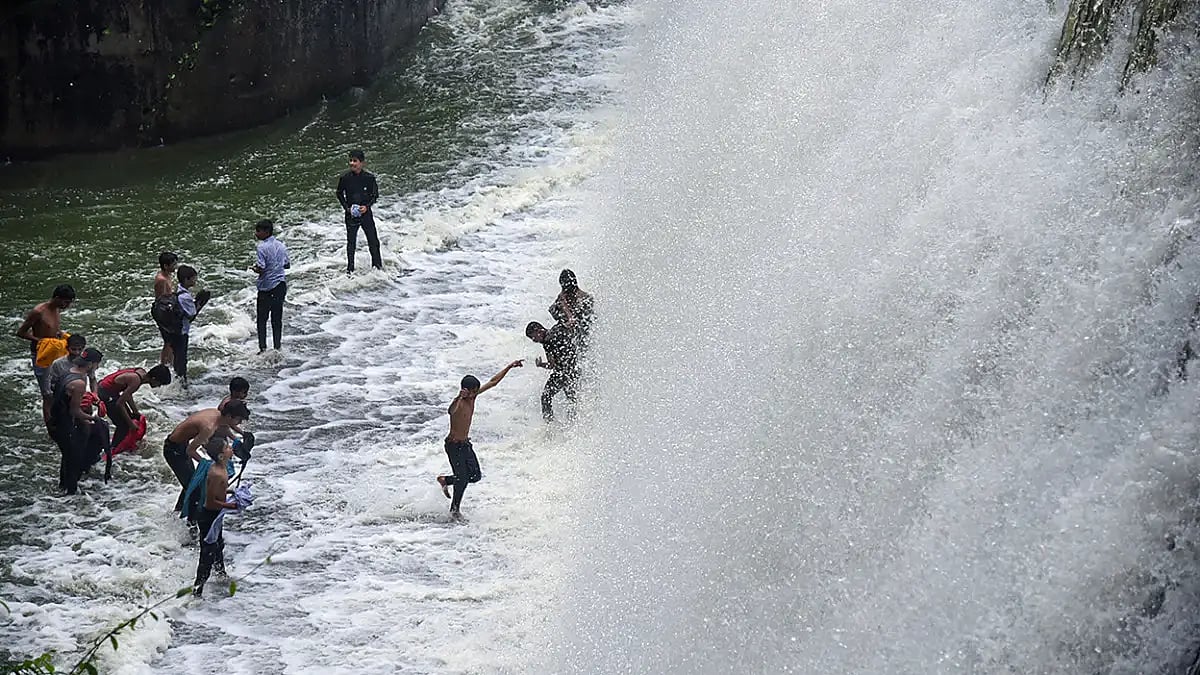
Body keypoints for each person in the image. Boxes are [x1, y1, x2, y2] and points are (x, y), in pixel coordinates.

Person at [436, 361, 523, 519]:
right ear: (465, 391)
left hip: (465, 445)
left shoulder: (472, 397)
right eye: (473, 392)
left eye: (477, 391)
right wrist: (458, 397)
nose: (476, 394)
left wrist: (510, 367)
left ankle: (445, 480)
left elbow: (493, 382)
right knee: (462, 478)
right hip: (453, 446)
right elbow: (450, 411)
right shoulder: (460, 403)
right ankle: (454, 511)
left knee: (475, 476)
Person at [162, 400, 250, 520]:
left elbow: (223, 429)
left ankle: (177, 513)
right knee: (195, 490)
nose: (239, 423)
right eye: (239, 420)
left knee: (192, 481)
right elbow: (191, 451)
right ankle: (190, 524)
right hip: (174, 451)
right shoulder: (209, 426)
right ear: (229, 416)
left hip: (180, 445)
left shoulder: (217, 414)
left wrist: (237, 440)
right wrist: (209, 465)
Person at [15, 285, 76, 430]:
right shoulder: (38, 312)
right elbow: (21, 332)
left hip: (55, 352)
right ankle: (51, 428)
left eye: (69, 303)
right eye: (65, 302)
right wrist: (40, 341)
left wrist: (61, 335)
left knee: (61, 387)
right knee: (47, 394)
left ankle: (62, 419)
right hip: (42, 354)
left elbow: (53, 329)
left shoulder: (57, 309)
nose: (67, 306)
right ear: (56, 298)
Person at [49, 349, 104, 495]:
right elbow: (75, 412)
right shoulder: (80, 382)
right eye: (97, 364)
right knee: (74, 459)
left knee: (67, 457)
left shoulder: (69, 372)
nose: (97, 368)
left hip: (55, 420)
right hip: (65, 424)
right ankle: (70, 494)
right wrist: (93, 419)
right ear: (91, 364)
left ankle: (62, 487)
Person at [194, 436, 237, 597]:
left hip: (215, 515)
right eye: (227, 448)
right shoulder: (217, 473)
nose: (231, 449)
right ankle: (197, 590)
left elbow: (218, 493)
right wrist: (230, 506)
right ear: (220, 455)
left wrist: (231, 493)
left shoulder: (222, 468)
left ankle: (221, 574)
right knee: (207, 554)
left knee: (218, 545)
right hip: (208, 516)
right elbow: (211, 502)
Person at [97, 364, 172, 449]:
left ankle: (119, 445)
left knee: (131, 417)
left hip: (108, 389)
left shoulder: (141, 372)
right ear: (154, 378)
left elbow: (128, 394)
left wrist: (135, 412)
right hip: (105, 392)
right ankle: (113, 449)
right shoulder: (136, 381)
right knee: (124, 425)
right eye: (160, 383)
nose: (159, 386)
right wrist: (131, 424)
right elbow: (119, 404)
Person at [335, 149, 382, 273]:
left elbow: (375, 195)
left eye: (355, 161)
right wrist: (346, 208)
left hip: (365, 213)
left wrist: (367, 206)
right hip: (351, 215)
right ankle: (350, 270)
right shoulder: (345, 178)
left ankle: (377, 267)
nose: (352, 163)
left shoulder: (369, 178)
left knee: (373, 241)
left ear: (362, 163)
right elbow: (339, 193)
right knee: (351, 243)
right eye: (350, 160)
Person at [526, 321, 581, 421]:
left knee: (546, 397)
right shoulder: (558, 328)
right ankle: (573, 423)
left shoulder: (547, 343)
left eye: (534, 338)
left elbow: (552, 365)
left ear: (539, 331)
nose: (534, 341)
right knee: (572, 400)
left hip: (561, 374)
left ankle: (550, 426)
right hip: (574, 370)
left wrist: (540, 364)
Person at [168, 265, 212, 386]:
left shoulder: (178, 290)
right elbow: (192, 314)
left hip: (174, 330)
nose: (195, 281)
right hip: (182, 331)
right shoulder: (185, 296)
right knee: (182, 358)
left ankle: (177, 380)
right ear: (186, 280)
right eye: (193, 279)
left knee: (177, 357)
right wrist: (199, 303)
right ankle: (182, 383)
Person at [252, 220, 289, 353]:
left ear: (266, 232)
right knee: (276, 319)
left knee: (262, 320)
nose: (256, 234)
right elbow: (287, 264)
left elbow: (261, 267)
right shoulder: (281, 245)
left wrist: (255, 269)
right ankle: (277, 347)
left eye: (258, 231)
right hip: (280, 285)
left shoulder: (261, 247)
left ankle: (262, 349)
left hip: (266, 287)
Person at [549, 269, 596, 350]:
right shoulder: (561, 299)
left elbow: (578, 322)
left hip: (586, 337)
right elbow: (553, 312)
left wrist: (567, 311)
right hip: (571, 340)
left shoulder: (586, 299)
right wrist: (564, 306)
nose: (567, 293)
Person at [46, 334, 96, 398]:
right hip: (62, 396)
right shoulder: (58, 364)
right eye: (73, 349)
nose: (77, 352)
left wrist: (94, 394)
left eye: (80, 349)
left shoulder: (87, 363)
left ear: (83, 349)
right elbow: (52, 384)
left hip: (81, 395)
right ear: (67, 348)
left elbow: (92, 379)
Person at [155, 252, 180, 365]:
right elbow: (161, 299)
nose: (175, 267)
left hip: (166, 309)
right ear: (166, 266)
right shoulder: (162, 280)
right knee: (168, 341)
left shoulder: (167, 275)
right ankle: (164, 364)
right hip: (163, 312)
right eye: (173, 264)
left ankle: (169, 362)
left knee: (171, 341)